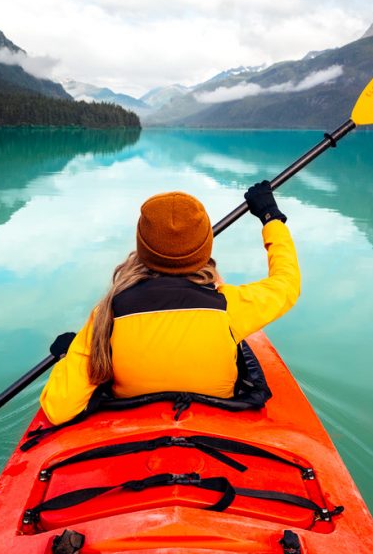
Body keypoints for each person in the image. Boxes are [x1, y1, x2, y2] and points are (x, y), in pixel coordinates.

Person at [39, 181, 300, 425]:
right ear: (205, 248)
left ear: (142, 247)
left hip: (132, 423)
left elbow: (58, 408)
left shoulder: (107, 314)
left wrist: (69, 355)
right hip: (218, 418)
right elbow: (287, 283)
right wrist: (270, 217)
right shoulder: (231, 306)